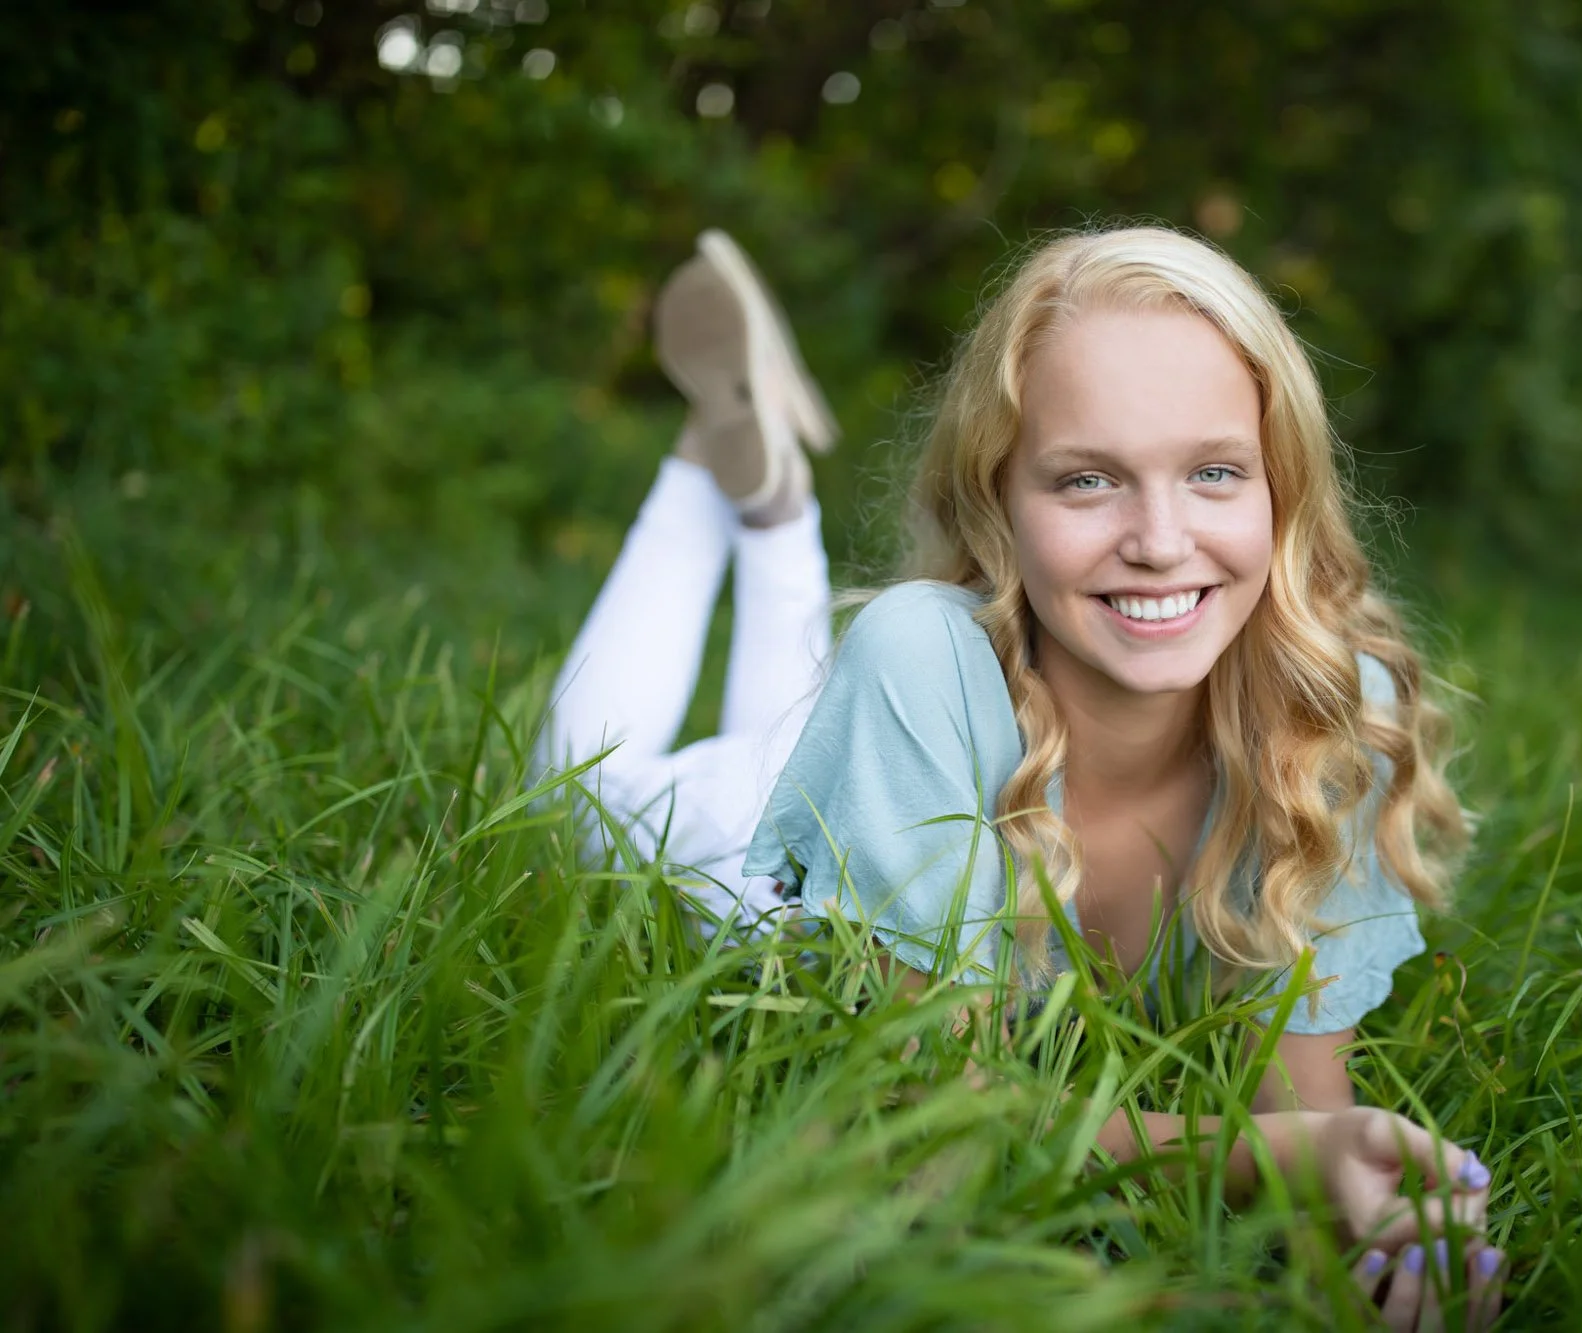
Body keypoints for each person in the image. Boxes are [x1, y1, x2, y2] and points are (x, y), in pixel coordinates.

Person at [538, 226, 1503, 1329]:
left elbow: (1299, 1100)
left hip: (889, 749)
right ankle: (731, 475)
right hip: (758, 850)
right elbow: (921, 1117)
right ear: (997, 502)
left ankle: (764, 485)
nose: (1157, 537)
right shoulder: (916, 655)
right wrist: (1262, 1157)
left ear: (1280, 492)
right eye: (1087, 479)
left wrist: (1365, 1228)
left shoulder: (1331, 713)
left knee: (800, 692)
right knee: (575, 788)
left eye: (1214, 472)